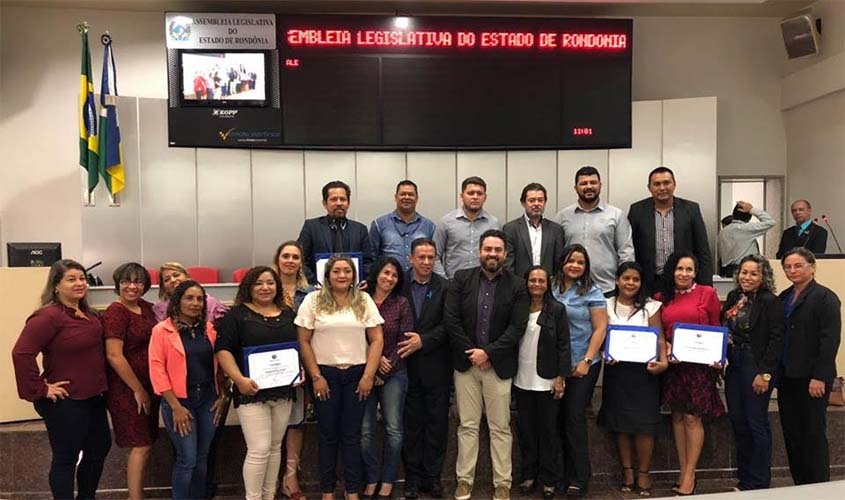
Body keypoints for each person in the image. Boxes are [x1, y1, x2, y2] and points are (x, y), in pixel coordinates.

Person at [12, 259, 112, 500]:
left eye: (82, 278)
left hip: (95, 397)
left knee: (99, 450)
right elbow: (21, 353)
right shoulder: (48, 316)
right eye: (71, 279)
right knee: (66, 458)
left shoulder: (87, 313)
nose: (79, 283)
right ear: (56, 286)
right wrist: (41, 388)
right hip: (68, 402)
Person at [444, 229, 529, 500]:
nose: (492, 254)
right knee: (467, 425)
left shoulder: (517, 285)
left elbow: (517, 327)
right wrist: (474, 353)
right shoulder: (461, 279)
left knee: (500, 427)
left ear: (505, 254)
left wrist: (488, 353)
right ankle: (464, 480)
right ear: (479, 251)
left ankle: (502, 483)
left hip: (498, 366)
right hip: (466, 365)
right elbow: (451, 320)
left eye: (497, 250)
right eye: (487, 249)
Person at [295, 256, 385, 500]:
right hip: (325, 376)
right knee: (327, 435)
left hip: (358, 375)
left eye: (347, 271)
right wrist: (316, 377)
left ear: (354, 275)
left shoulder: (363, 300)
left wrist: (369, 375)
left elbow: (377, 339)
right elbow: (303, 340)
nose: (342, 275)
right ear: (328, 275)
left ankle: (352, 490)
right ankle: (327, 491)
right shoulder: (313, 301)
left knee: (352, 435)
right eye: (337, 271)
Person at [215, 266, 300, 500]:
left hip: (283, 391)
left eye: (270, 283)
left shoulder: (288, 314)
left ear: (277, 286)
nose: (265, 287)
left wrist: (298, 371)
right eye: (259, 283)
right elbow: (223, 351)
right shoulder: (237, 315)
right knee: (259, 449)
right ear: (249, 287)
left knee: (274, 447)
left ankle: (268, 495)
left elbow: (298, 349)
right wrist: (239, 379)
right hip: (250, 392)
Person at [153, 261, 229, 498]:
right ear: (177, 301)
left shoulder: (208, 328)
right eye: (189, 298)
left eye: (199, 299)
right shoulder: (162, 331)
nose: (195, 303)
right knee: (187, 459)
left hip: (207, 399)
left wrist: (223, 395)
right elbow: (157, 370)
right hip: (179, 402)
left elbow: (220, 363)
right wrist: (175, 407)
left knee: (202, 457)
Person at [656, 250, 725, 496]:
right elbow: (659, 331)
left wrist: (720, 357)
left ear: (695, 272)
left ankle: (690, 474)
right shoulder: (661, 297)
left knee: (692, 418)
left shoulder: (707, 293)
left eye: (689, 269)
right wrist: (666, 345)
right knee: (676, 417)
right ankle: (683, 469)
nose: (684, 274)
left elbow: (717, 327)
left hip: (699, 367)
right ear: (671, 271)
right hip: (675, 366)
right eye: (679, 269)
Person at [598, 262, 668, 497]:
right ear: (617, 280)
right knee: (621, 425)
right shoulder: (605, 304)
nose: (630, 283)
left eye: (635, 279)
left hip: (645, 374)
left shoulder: (651, 307)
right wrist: (603, 355)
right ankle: (627, 471)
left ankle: (644, 472)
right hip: (616, 373)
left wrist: (663, 361)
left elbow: (659, 338)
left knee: (644, 426)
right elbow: (599, 336)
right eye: (626, 278)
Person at [778, 247, 841, 485]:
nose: (792, 270)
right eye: (788, 267)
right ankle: (800, 485)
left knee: (812, 434)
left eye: (798, 265)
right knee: (792, 434)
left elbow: (830, 341)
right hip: (788, 377)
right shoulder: (784, 297)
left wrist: (820, 377)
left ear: (812, 267)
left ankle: (818, 486)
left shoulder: (826, 297)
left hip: (812, 379)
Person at [551, 244, 608, 497]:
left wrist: (586, 359)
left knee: (574, 418)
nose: (575, 266)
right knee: (555, 420)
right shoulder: (550, 286)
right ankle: (559, 474)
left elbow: (600, 328)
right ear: (562, 262)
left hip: (583, 363)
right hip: (554, 366)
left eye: (580, 262)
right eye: (571, 261)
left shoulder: (591, 290)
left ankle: (580, 477)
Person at [721, 255, 783, 491]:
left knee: (756, 422)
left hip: (755, 366)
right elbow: (724, 327)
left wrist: (765, 374)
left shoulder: (770, 302)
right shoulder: (734, 297)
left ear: (763, 276)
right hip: (734, 363)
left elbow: (777, 340)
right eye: (744, 272)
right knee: (738, 419)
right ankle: (744, 479)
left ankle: (759, 482)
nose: (747, 277)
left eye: (753, 273)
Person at [397, 238, 451, 499]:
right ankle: (412, 479)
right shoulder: (398, 284)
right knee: (411, 425)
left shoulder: (445, 286)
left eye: (431, 257)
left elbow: (451, 324)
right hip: (404, 367)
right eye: (421, 257)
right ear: (410, 258)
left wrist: (424, 340)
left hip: (436, 366)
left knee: (436, 424)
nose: (427, 262)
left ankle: (433, 477)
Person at [103, 263, 159, 500]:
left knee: (147, 440)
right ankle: (134, 497)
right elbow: (114, 354)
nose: (132, 286)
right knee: (141, 443)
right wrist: (137, 389)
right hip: (126, 388)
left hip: (150, 384)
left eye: (137, 282)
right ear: (118, 284)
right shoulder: (116, 312)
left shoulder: (147, 308)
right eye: (126, 281)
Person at [514, 266, 570, 500]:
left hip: (546, 379)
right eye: (532, 280)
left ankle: (549, 479)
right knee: (526, 432)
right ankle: (529, 475)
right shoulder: (517, 308)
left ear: (548, 285)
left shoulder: (556, 310)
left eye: (541, 281)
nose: (536, 284)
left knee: (548, 432)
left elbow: (563, 345)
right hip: (520, 379)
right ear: (526, 282)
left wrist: (560, 377)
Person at [361, 257, 414, 499]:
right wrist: (373, 365)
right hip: (364, 373)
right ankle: (372, 477)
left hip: (395, 373)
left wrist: (385, 367)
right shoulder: (361, 300)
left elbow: (405, 339)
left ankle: (389, 480)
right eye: (385, 273)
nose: (389, 278)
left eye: (394, 275)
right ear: (376, 274)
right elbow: (352, 334)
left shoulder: (401, 303)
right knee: (365, 430)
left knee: (394, 429)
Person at [273, 240, 315, 500]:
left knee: (296, 421)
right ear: (277, 259)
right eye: (286, 256)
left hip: (299, 366)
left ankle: (290, 477)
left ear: (301, 262)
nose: (290, 260)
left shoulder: (309, 294)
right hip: (266, 366)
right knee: (269, 422)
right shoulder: (264, 287)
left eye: (295, 257)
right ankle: (268, 477)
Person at [628, 166, 713, 294]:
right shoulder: (637, 210)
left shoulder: (691, 209)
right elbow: (630, 248)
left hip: (683, 282)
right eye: (657, 184)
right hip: (648, 283)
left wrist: (706, 288)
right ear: (649, 188)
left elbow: (703, 250)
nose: (662, 188)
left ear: (674, 185)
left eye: (666, 183)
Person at [555, 166, 635, 295]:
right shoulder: (562, 216)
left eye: (593, 182)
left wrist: (625, 282)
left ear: (600, 185)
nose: (589, 186)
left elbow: (626, 252)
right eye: (583, 183)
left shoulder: (616, 215)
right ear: (575, 188)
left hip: (607, 288)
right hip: (571, 289)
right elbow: (557, 254)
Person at [298, 180, 372, 284]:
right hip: (319, 290)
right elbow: (300, 259)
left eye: (343, 199)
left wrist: (364, 281)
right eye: (333, 199)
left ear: (348, 203)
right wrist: (314, 282)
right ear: (325, 203)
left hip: (353, 291)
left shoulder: (360, 229)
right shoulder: (311, 227)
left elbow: (368, 262)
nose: (339, 203)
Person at [433, 176, 500, 279]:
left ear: (485, 197)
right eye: (470, 193)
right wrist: (444, 281)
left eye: (479, 193)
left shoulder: (494, 224)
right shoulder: (446, 222)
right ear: (462, 196)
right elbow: (435, 255)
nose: (475, 197)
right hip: (453, 283)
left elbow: (500, 256)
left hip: (484, 283)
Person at [368, 180, 436, 272]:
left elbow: (433, 258)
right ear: (396, 197)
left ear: (417, 198)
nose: (406, 197)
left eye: (410, 194)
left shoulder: (429, 226)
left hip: (418, 282)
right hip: (389, 282)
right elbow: (372, 257)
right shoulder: (379, 224)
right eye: (403, 194)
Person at [502, 182, 565, 279]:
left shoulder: (556, 230)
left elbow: (559, 263)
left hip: (547, 287)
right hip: (519, 287)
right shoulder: (510, 229)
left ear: (545, 202)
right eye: (532, 200)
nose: (536, 204)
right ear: (523, 203)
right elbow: (508, 264)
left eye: (540, 200)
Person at [154, 262, 229, 322]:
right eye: (167, 280)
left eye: (176, 275)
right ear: (163, 287)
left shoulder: (211, 303)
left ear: (187, 277)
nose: (173, 280)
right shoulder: (159, 309)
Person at [718, 202, 775, 277]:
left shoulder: (723, 231)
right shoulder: (746, 229)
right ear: (750, 217)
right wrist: (752, 209)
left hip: (727, 271)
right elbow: (770, 222)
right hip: (745, 269)